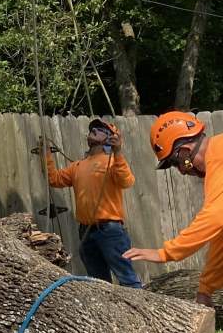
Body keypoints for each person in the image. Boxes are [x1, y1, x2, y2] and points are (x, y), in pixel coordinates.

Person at [123, 111, 222, 306]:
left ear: (184, 152)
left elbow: (215, 217)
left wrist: (166, 253)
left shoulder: (219, 156)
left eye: (175, 164)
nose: (182, 172)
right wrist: (206, 289)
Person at [42, 118, 141, 287]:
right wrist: (46, 155)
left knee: (127, 280)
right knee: (99, 285)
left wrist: (117, 153)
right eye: (93, 128)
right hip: (86, 232)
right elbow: (54, 179)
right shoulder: (77, 166)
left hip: (110, 230)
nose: (94, 129)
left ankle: (141, 311)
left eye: (100, 129)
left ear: (110, 138)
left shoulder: (112, 161)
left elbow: (127, 181)